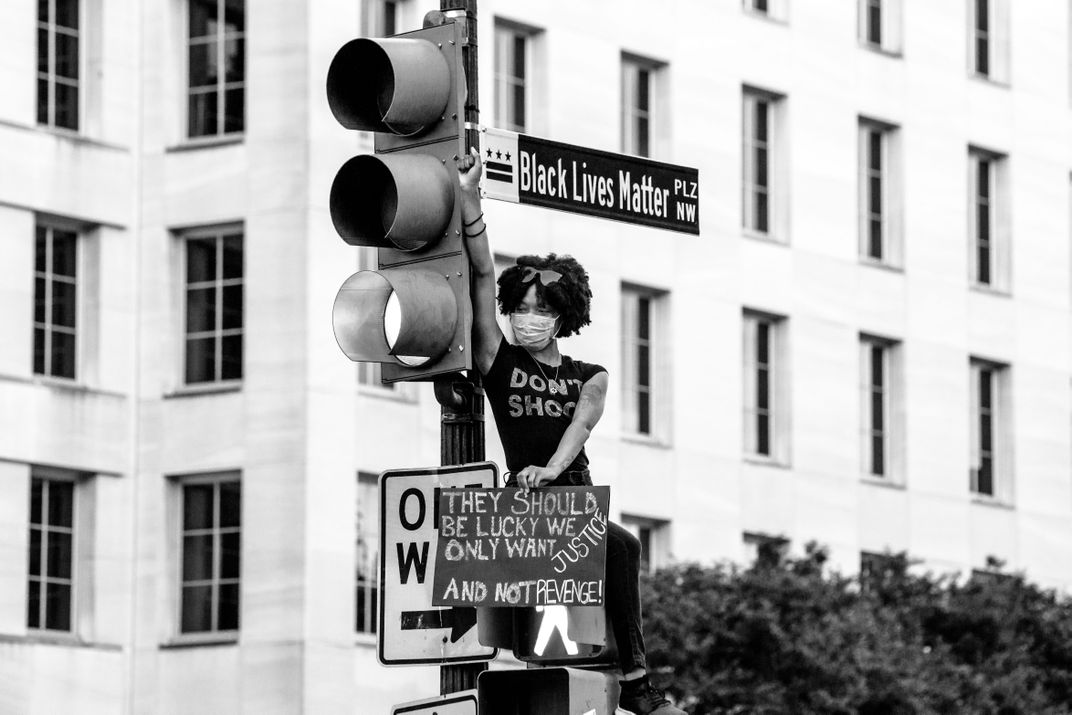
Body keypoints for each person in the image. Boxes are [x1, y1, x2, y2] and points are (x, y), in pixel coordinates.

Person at [458, 150, 687, 715]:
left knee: (622, 545)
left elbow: (580, 426)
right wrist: (469, 201)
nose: (526, 316)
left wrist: (553, 468)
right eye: (520, 306)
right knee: (615, 549)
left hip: (570, 493)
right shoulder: (499, 362)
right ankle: (631, 681)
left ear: (563, 314)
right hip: (529, 499)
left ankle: (629, 675)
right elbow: (483, 274)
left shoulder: (591, 376)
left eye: (539, 308)